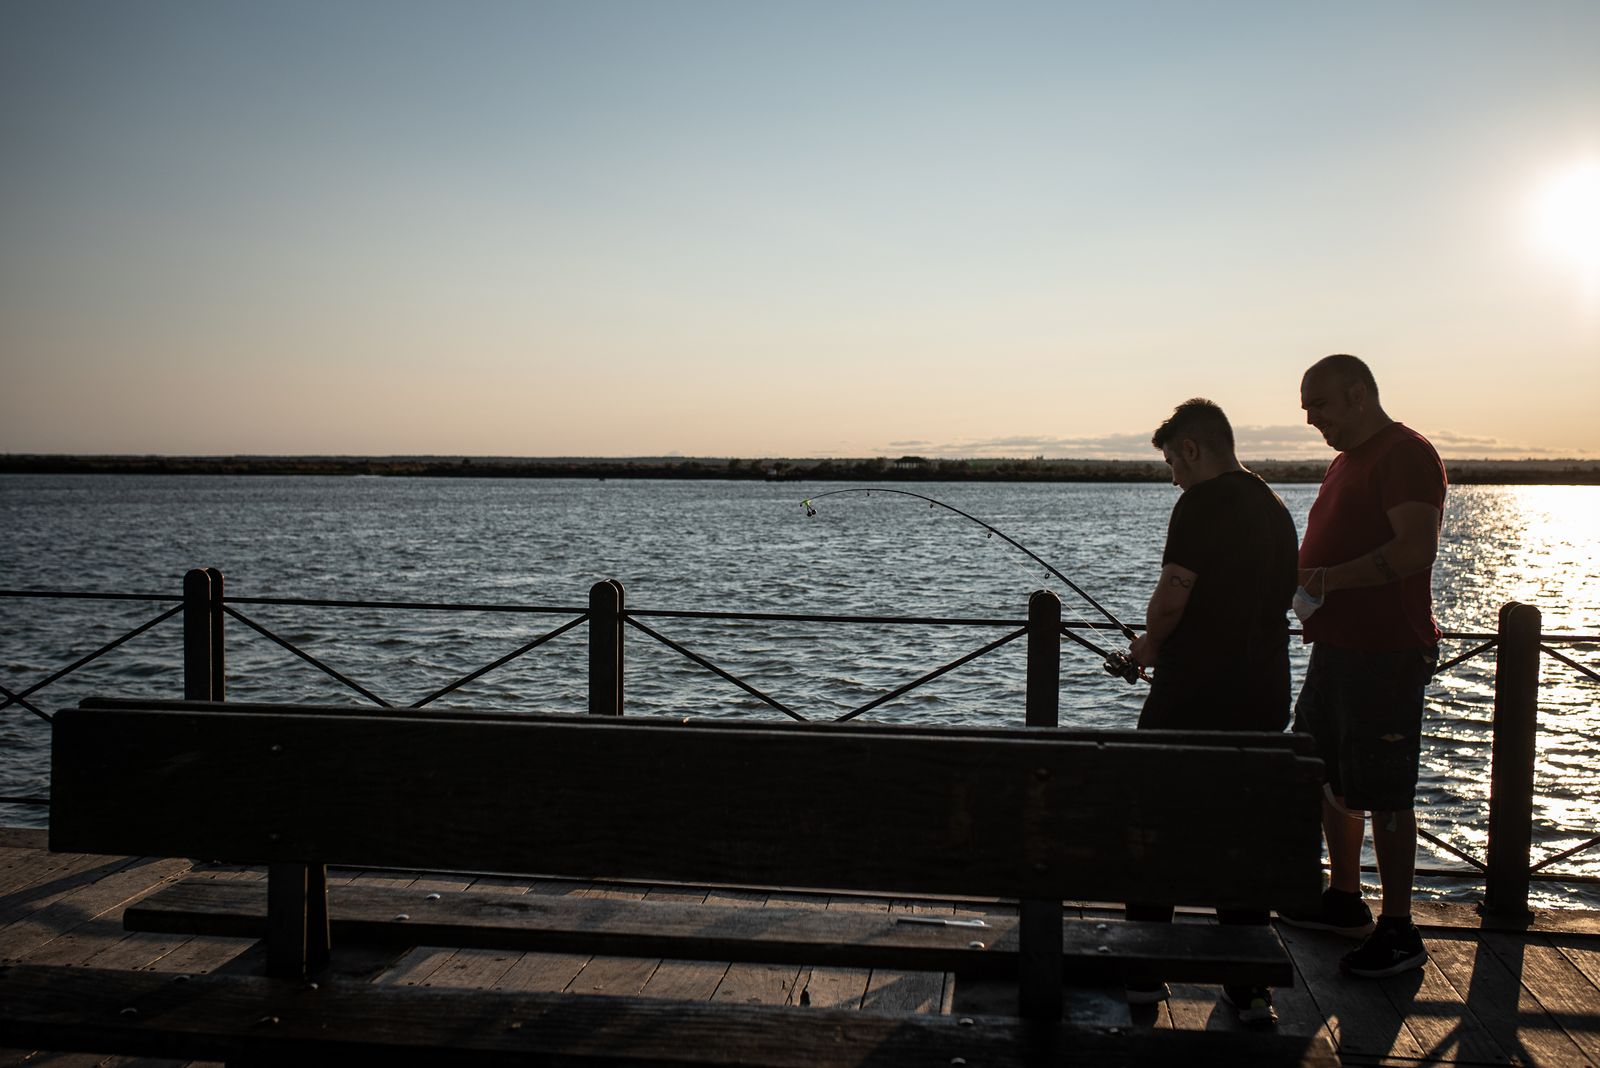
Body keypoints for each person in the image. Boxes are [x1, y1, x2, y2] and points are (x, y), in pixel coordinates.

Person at [1123, 398, 1299, 1026]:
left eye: (1173, 461)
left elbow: (1172, 601)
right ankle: (1249, 987)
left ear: (1193, 449)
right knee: (1240, 832)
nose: (1172, 474)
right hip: (1263, 691)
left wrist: (1148, 644)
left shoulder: (1201, 503)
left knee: (1156, 824)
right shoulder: (1275, 507)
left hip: (1193, 691)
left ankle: (1144, 974)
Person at [1277, 354, 1446, 981]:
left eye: (1318, 405)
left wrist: (1322, 580)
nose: (1312, 419)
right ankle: (1344, 901)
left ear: (1357, 394)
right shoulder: (1346, 460)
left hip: (1385, 652)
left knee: (1387, 789)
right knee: (1323, 770)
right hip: (1337, 648)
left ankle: (1399, 931)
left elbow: (1413, 549)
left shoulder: (1405, 453)